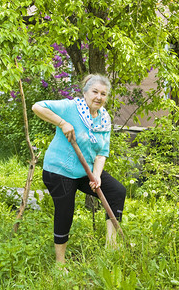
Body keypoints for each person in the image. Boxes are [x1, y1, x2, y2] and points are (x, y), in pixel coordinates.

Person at [32, 74, 126, 265]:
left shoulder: (104, 119)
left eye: (103, 94)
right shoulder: (70, 107)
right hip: (58, 170)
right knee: (65, 211)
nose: (99, 97)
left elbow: (102, 153)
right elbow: (37, 107)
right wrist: (62, 123)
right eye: (95, 92)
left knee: (116, 191)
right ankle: (60, 263)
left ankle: (111, 245)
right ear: (85, 92)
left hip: (85, 172)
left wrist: (97, 176)